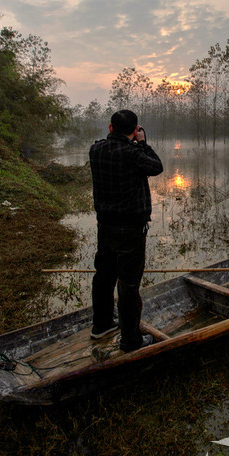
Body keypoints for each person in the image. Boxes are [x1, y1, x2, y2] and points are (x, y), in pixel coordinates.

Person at [89, 109, 163, 352]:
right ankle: (131, 341)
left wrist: (135, 142)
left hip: (105, 225)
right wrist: (143, 143)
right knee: (129, 284)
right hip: (130, 228)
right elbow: (156, 167)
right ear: (134, 131)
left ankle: (101, 325)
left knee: (104, 275)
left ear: (110, 128)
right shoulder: (134, 153)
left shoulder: (96, 149)